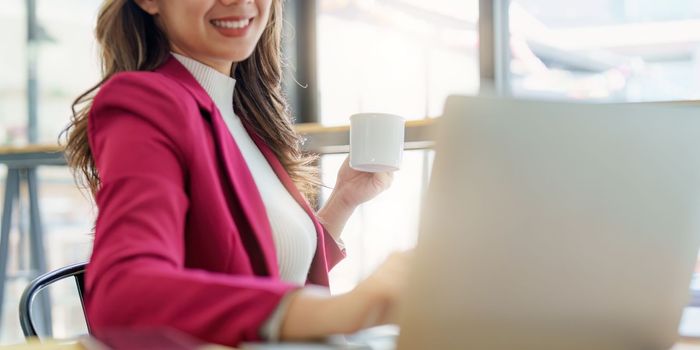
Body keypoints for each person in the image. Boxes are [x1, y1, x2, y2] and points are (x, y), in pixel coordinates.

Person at [61, 0, 409, 347]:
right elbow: (124, 297)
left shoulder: (242, 116)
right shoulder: (146, 103)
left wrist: (344, 201)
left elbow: (263, 265)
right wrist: (343, 309)